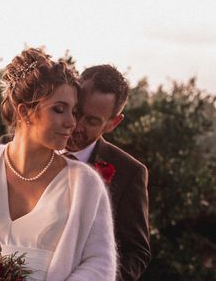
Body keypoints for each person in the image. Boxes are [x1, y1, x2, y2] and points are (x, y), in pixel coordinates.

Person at [0, 48, 116, 281]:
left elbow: (100, 263)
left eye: (73, 111)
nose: (71, 123)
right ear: (25, 111)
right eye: (59, 109)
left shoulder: (85, 183)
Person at [64, 65, 151, 281]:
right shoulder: (17, 148)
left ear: (113, 123)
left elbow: (135, 252)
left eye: (92, 121)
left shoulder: (129, 173)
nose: (76, 126)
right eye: (76, 112)